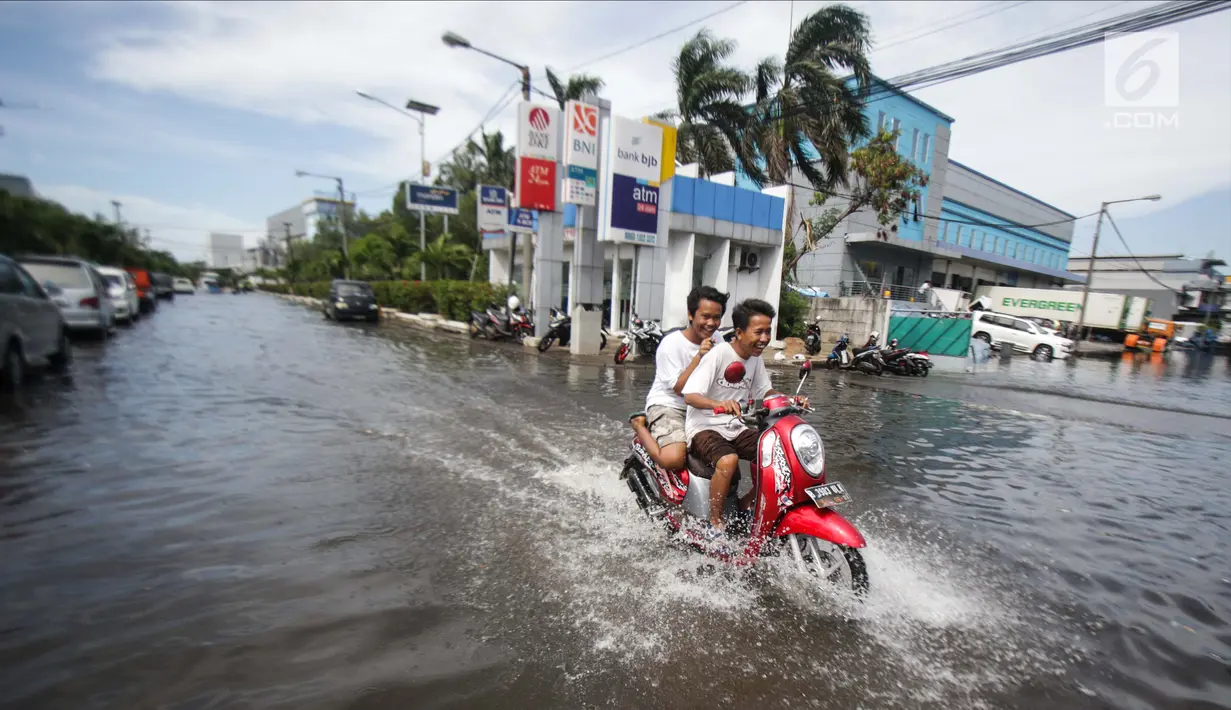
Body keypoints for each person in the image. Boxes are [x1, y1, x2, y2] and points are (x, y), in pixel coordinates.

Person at [682, 298, 807, 533]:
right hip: (704, 426)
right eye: (758, 331)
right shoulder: (718, 354)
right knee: (728, 460)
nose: (764, 338)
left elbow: (765, 391)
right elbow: (690, 395)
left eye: (768, 331)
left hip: (734, 427)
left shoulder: (755, 359)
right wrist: (719, 403)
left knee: (777, 454)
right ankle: (715, 522)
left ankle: (748, 504)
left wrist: (790, 400)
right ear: (739, 332)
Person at [629, 286, 729, 472]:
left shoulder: (718, 339)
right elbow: (679, 388)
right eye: (705, 316)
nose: (711, 323)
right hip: (670, 405)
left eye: (716, 317)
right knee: (674, 460)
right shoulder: (671, 344)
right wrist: (699, 357)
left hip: (700, 406)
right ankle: (640, 426)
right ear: (691, 315)